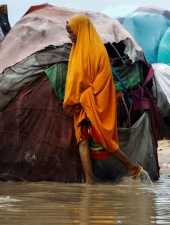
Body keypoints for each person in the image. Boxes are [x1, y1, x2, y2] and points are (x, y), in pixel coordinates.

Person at [63, 14, 143, 184]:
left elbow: (103, 81)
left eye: (72, 32)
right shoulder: (75, 51)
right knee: (82, 141)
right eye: (68, 32)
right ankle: (89, 181)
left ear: (81, 29)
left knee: (103, 139)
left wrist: (84, 96)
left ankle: (132, 166)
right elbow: (73, 78)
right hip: (80, 105)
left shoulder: (98, 51)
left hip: (93, 101)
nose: (70, 35)